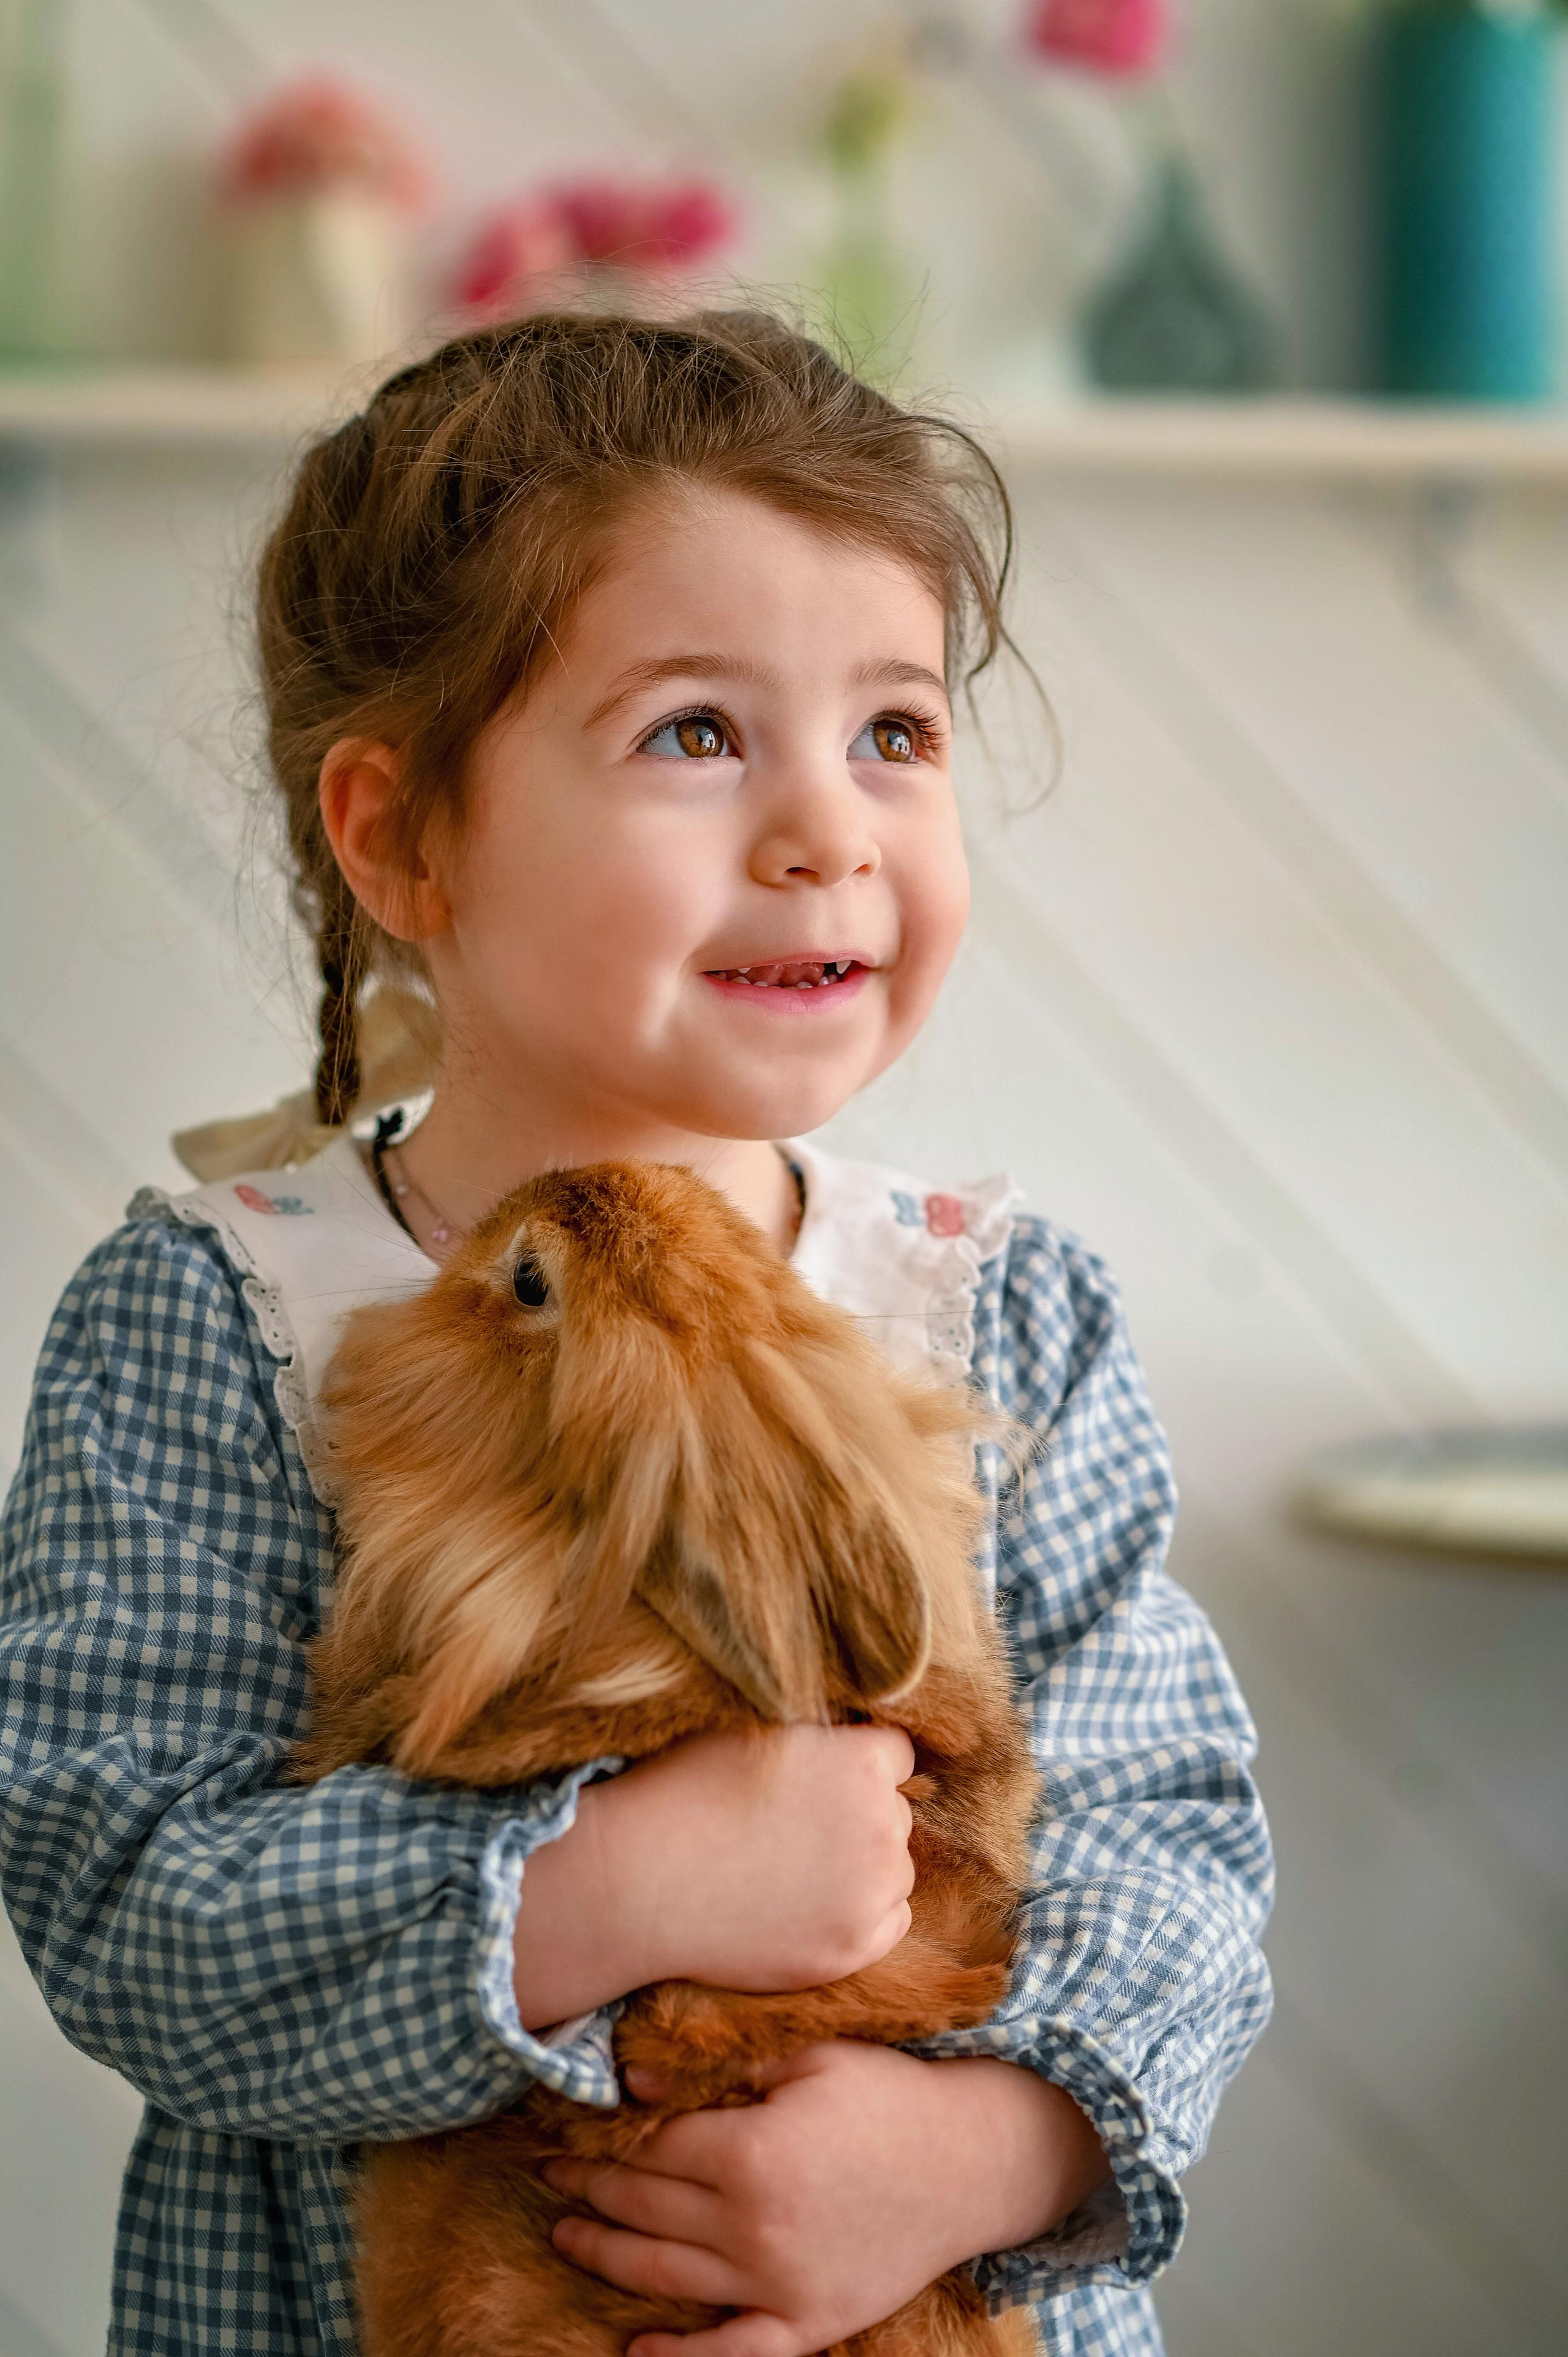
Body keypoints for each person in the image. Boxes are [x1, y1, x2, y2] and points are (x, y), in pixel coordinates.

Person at [0, 311, 1272, 2357]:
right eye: (698, 733)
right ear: (400, 834)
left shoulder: (1000, 1308)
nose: (827, 831)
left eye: (896, 732)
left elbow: (1162, 1838)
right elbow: (124, 1900)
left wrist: (990, 2159)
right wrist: (604, 1887)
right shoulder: (221, 1321)